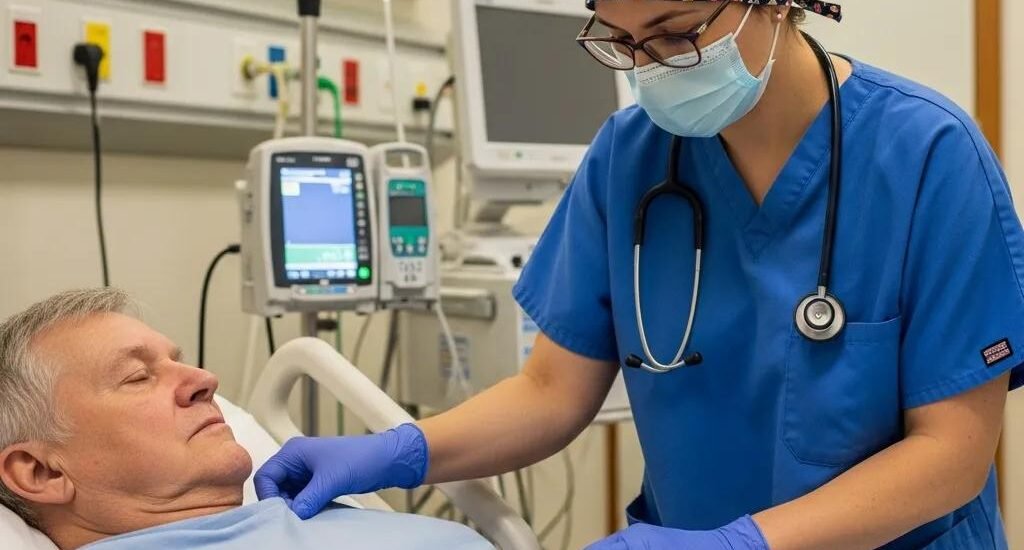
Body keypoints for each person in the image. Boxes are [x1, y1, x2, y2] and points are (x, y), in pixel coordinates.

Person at [255, 1, 1022, 548]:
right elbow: (552, 392)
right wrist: (397, 450)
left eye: (678, 34)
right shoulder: (629, 158)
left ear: (779, 4)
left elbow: (950, 455)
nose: (650, 71)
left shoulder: (929, 156)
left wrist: (742, 543)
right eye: (621, 41)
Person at [0, 288, 490, 550]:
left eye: (179, 360)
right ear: (42, 472)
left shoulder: (303, 515)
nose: (205, 379)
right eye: (137, 377)